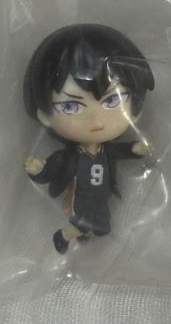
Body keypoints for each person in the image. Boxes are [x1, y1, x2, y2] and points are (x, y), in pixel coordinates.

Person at [23, 24, 154, 253]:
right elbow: (52, 170)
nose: (95, 120)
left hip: (101, 199)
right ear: (45, 116)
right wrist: (38, 170)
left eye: (112, 101)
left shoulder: (106, 150)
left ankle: (83, 236)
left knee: (102, 227)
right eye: (70, 106)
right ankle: (63, 236)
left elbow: (119, 151)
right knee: (82, 222)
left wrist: (135, 149)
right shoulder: (70, 156)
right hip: (79, 199)